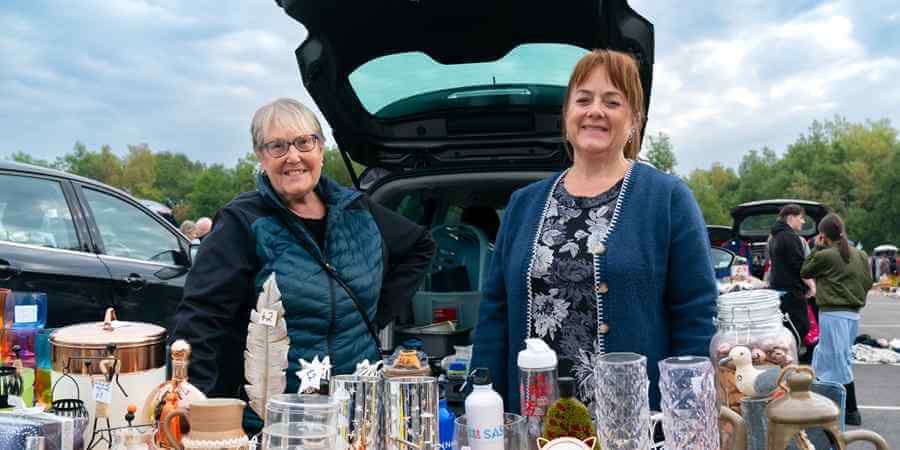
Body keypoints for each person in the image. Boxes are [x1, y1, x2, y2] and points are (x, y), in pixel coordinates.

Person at [469, 49, 717, 413]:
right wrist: (482, 406)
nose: (594, 111)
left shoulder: (666, 198)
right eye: (583, 99)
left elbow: (695, 315)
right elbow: (494, 314)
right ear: (567, 115)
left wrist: (690, 412)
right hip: (534, 419)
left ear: (635, 119)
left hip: (633, 423)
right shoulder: (523, 204)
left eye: (612, 101)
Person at [170, 98, 436, 429]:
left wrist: (374, 313)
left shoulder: (358, 211)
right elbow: (200, 322)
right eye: (277, 146)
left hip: (357, 414)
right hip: (274, 422)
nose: (293, 156)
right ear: (260, 155)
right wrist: (197, 418)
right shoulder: (241, 223)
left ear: (321, 148)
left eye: (303, 142)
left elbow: (420, 246)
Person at [801, 213, 872, 426]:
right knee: (824, 357)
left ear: (823, 235)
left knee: (838, 361)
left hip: (832, 313)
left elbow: (805, 270)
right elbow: (868, 281)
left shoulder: (826, 255)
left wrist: (816, 248)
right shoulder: (860, 254)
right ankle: (820, 400)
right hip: (852, 314)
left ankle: (851, 410)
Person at [768, 204, 813, 360]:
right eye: (801, 217)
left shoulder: (774, 237)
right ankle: (788, 362)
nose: (803, 222)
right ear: (791, 217)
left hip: (779, 291)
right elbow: (800, 266)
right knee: (800, 327)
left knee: (787, 329)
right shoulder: (790, 237)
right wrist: (812, 285)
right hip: (791, 292)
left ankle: (784, 360)